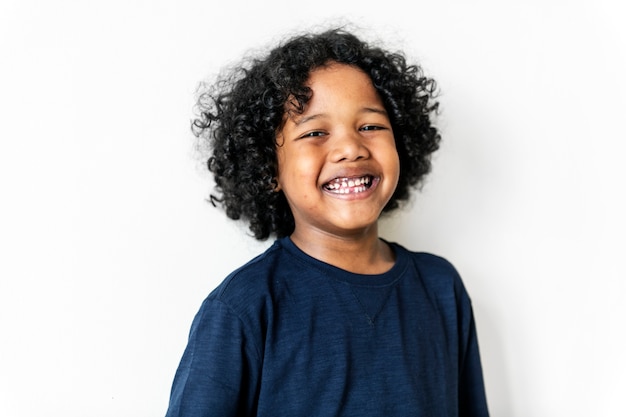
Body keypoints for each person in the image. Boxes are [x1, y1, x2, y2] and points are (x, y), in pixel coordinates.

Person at [165, 27, 490, 416]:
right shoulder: (244, 307)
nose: (351, 148)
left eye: (370, 126)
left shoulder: (442, 288)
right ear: (269, 168)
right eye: (316, 132)